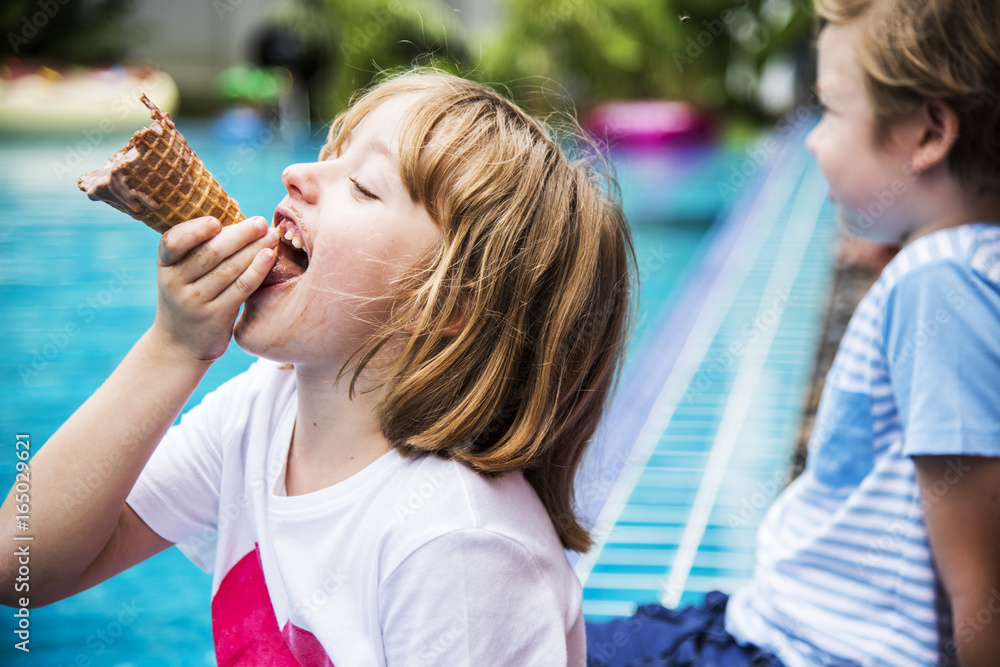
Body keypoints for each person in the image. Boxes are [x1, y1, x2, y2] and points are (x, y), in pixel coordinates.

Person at [0, 69, 634, 666]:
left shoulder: (458, 548)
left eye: (362, 184)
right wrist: (173, 348)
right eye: (331, 152)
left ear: (446, 302)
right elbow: (22, 568)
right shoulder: (260, 414)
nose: (297, 171)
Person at [585, 0, 1000, 665]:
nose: (811, 138)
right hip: (772, 628)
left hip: (790, 649)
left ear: (927, 135)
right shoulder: (956, 268)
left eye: (832, 111)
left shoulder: (942, 288)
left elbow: (982, 581)